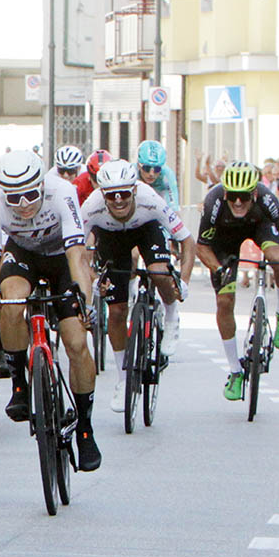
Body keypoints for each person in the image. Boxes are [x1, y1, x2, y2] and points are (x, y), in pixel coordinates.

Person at [0, 150, 101, 471]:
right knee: (11, 300)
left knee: (76, 343)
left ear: (42, 185)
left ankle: (85, 427)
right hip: (24, 255)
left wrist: (84, 300)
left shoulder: (62, 190)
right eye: (14, 198)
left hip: (62, 257)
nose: (24, 204)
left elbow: (77, 256)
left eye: (31, 195)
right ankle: (19, 382)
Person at [82, 160, 195, 412]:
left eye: (124, 193)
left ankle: (171, 316)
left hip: (146, 230)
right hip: (111, 239)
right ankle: (123, 380)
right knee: (118, 310)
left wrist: (184, 281)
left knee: (158, 272)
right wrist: (93, 279)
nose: (119, 199)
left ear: (134, 189)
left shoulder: (150, 199)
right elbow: (77, 251)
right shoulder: (91, 207)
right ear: (102, 194)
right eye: (112, 195)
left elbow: (187, 240)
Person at [195, 161, 279, 401]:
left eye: (243, 196)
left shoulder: (267, 200)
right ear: (225, 193)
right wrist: (218, 269)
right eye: (233, 196)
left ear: (254, 193)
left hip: (259, 227)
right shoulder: (214, 202)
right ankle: (235, 371)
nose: (238, 202)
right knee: (224, 302)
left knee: (278, 258)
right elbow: (202, 247)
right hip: (223, 241)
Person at [136, 140, 180, 210]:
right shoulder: (131, 172)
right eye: (147, 168)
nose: (151, 174)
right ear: (139, 165)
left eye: (157, 169)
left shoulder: (167, 174)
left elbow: (174, 207)